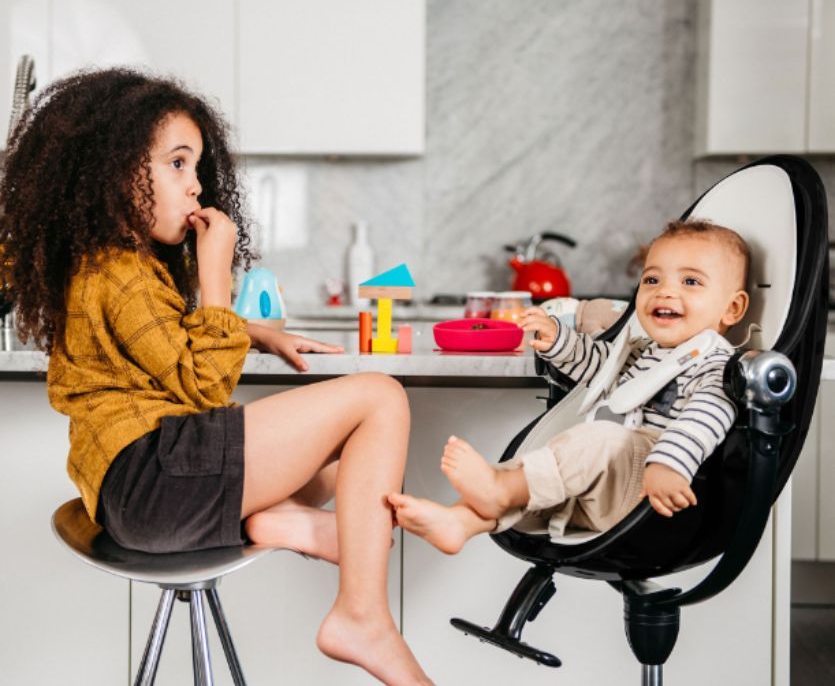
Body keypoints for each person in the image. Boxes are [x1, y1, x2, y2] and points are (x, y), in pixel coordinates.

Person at [0, 68, 432, 685]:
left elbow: (165, 338)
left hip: (144, 492)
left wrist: (259, 332)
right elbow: (202, 384)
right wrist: (216, 277)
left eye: (197, 167)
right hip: (153, 478)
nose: (197, 185)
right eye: (178, 163)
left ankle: (278, 522)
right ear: (115, 169)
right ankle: (362, 617)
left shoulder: (118, 268)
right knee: (380, 400)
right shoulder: (117, 274)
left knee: (353, 460)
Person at [389, 220, 750, 553]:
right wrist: (558, 340)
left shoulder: (714, 365)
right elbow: (598, 368)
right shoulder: (647, 351)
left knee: (593, 443)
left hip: (645, 492)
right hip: (600, 485)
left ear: (732, 309)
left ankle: (497, 491)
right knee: (536, 470)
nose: (664, 292)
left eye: (690, 282)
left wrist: (668, 466)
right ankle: (460, 521)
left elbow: (703, 418)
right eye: (652, 280)